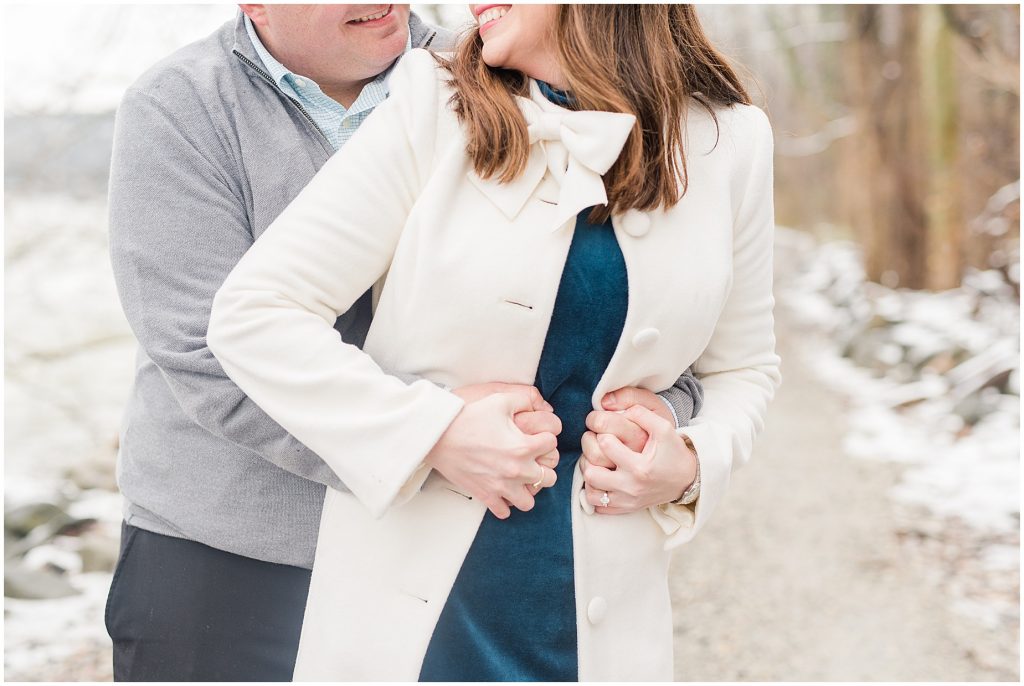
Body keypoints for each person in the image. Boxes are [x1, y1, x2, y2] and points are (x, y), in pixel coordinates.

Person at [104, 3, 703, 681]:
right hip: (229, 559)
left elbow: (617, 300)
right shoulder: (177, 108)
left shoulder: (494, 71)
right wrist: (427, 442)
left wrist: (663, 422)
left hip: (442, 553)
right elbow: (203, 353)